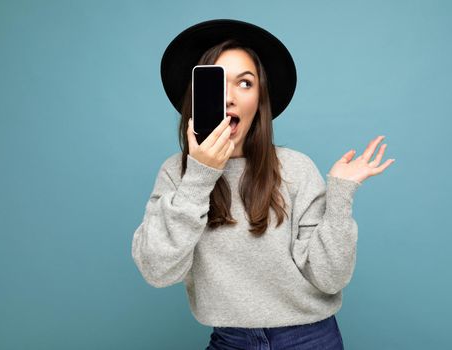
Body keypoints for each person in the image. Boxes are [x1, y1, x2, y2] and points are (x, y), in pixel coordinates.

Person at [131, 19, 395, 350]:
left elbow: (330, 278)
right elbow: (157, 270)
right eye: (216, 83)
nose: (228, 98)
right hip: (229, 340)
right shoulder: (177, 173)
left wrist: (340, 195)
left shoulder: (296, 169)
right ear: (196, 95)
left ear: (259, 100)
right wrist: (200, 175)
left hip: (309, 338)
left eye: (245, 83)